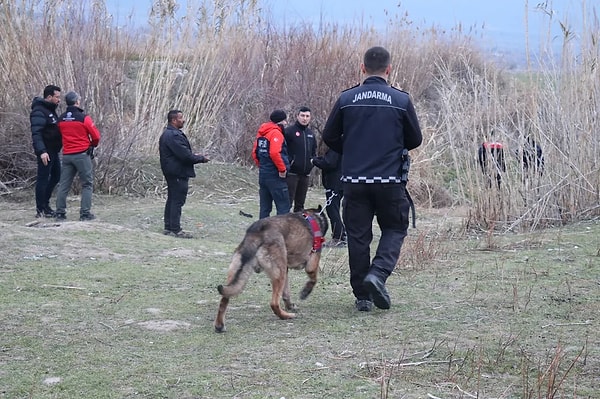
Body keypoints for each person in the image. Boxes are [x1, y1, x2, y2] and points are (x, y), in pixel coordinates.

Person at [322, 46, 423, 312]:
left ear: (362, 67)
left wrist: (353, 148)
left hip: (354, 181)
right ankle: (377, 275)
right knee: (395, 228)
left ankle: (362, 297)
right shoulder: (401, 101)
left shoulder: (347, 99)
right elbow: (415, 139)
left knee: (357, 237)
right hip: (390, 181)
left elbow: (329, 137)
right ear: (389, 69)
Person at [159, 110, 210, 238]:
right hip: (177, 172)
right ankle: (175, 229)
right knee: (177, 200)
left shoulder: (168, 134)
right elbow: (185, 156)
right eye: (181, 118)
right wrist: (201, 158)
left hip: (172, 171)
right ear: (174, 120)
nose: (184, 120)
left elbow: (182, 153)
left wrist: (194, 156)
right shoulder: (174, 136)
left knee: (172, 199)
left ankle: (169, 227)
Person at [54, 92, 101, 221]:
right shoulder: (84, 118)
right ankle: (85, 213)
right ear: (77, 102)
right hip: (82, 154)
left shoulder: (61, 119)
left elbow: (58, 135)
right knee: (87, 184)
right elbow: (96, 136)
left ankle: (60, 212)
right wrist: (92, 145)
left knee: (64, 185)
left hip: (67, 155)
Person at [30, 84, 62, 218]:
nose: (59, 100)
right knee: (43, 178)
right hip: (45, 151)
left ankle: (46, 205)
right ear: (49, 97)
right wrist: (42, 151)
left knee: (56, 176)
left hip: (54, 150)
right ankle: (41, 210)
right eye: (57, 97)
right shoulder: (39, 111)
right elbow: (36, 133)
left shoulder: (50, 110)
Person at [252, 109, 290, 219]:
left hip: (263, 174)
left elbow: (255, 153)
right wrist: (282, 170)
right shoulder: (276, 133)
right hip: (275, 176)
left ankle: (261, 233)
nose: (286, 123)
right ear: (281, 121)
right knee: (283, 208)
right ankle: (281, 233)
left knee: (265, 208)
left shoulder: (262, 133)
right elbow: (274, 153)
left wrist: (261, 166)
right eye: (285, 120)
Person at [284, 106, 317, 212]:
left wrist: (311, 163)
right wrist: (289, 163)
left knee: (300, 206)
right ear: (297, 116)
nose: (305, 118)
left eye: (307, 116)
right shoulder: (289, 132)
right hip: (291, 174)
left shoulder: (311, 134)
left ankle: (298, 228)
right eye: (302, 115)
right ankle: (283, 227)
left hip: (305, 175)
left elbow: (314, 152)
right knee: (286, 204)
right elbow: (282, 150)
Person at [311, 147, 346, 247]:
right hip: (341, 181)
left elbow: (329, 163)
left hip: (334, 183)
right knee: (335, 210)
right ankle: (341, 234)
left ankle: (338, 237)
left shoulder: (335, 148)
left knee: (332, 211)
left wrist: (314, 161)